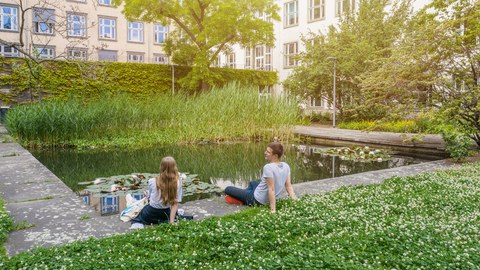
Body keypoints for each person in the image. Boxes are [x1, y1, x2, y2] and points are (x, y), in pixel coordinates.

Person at [224, 142, 297, 213]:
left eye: (268, 152)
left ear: (275, 155)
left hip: (258, 200)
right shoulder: (286, 165)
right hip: (265, 195)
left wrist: (273, 210)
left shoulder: (268, 167)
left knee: (228, 189)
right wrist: (295, 200)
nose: (265, 153)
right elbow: (288, 186)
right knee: (253, 183)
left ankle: (244, 200)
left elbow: (271, 189)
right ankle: (245, 196)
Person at [130, 156, 183, 229]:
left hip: (151, 213)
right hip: (165, 214)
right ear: (174, 167)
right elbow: (175, 203)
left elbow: (151, 198)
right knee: (172, 213)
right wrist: (172, 221)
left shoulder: (152, 181)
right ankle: (167, 220)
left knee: (140, 214)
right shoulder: (178, 182)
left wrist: (147, 195)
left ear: (161, 167)